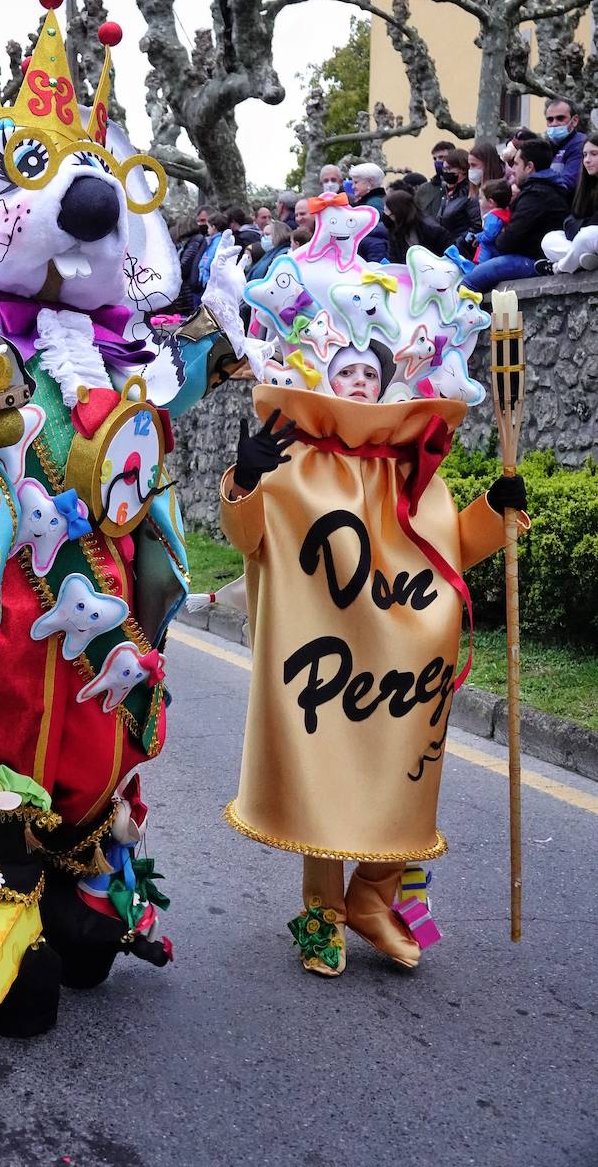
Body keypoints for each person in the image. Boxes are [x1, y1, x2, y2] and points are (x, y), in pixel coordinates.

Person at [220, 355, 528, 979]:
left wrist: (496, 509)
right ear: (324, 378)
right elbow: (249, 537)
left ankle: (374, 896)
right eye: (346, 368)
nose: (359, 381)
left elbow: (452, 547)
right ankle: (323, 914)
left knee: (404, 776)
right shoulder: (296, 464)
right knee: (322, 776)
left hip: (403, 673)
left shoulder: (411, 467)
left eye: (370, 369)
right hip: (320, 662)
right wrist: (245, 483)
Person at [462, 138, 569, 292]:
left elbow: (509, 240)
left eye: (517, 164)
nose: (512, 170)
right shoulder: (542, 189)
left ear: (529, 167)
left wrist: (498, 235)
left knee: (469, 283)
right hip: (529, 255)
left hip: (532, 260)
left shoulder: (537, 194)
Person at [538, 130, 598, 274]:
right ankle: (586, 260)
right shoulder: (587, 186)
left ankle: (557, 267)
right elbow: (571, 220)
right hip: (586, 241)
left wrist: (581, 227)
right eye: (584, 155)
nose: (587, 160)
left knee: (586, 236)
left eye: (594, 154)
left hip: (590, 237)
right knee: (549, 239)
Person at [383, 190, 450, 262]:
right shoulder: (394, 228)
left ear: (400, 212)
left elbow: (446, 258)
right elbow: (393, 258)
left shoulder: (431, 229)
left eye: (391, 215)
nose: (391, 219)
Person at [436, 150, 482, 242]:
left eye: (449, 169)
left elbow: (477, 226)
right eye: (444, 169)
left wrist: (458, 244)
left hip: (461, 251)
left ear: (463, 169)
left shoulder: (470, 194)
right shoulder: (448, 193)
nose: (446, 172)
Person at [545, 98, 586, 192]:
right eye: (550, 120)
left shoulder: (581, 144)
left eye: (560, 118)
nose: (554, 124)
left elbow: (568, 182)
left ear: (574, 120)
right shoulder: (547, 146)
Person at [414, 140, 456, 217]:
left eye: (441, 157)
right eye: (435, 158)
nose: (437, 161)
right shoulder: (424, 189)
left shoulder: (463, 188)